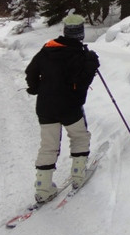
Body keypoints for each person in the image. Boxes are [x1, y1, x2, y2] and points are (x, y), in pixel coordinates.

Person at [25, 13, 100, 202]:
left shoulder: (48, 49)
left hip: (46, 106)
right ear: (80, 33)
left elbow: (31, 71)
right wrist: (91, 63)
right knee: (79, 137)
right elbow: (82, 82)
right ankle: (78, 174)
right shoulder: (81, 55)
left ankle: (43, 188)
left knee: (48, 145)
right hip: (70, 106)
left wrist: (34, 88)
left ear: (65, 31)